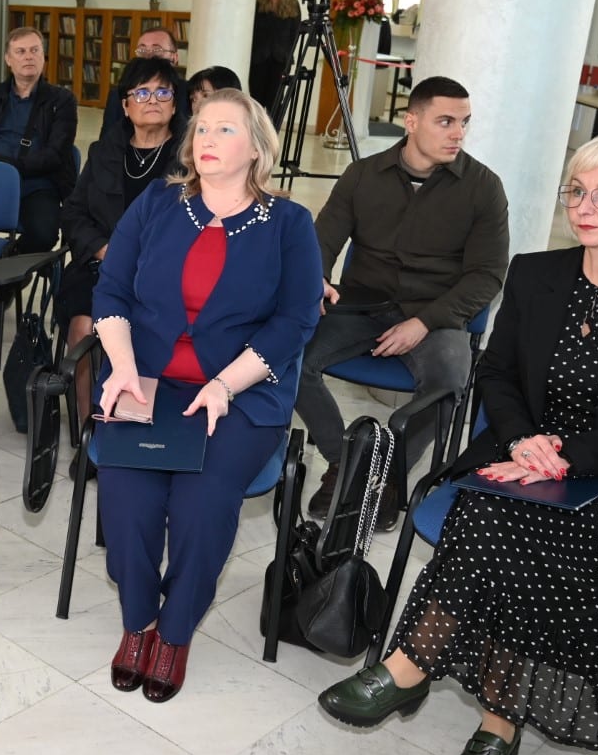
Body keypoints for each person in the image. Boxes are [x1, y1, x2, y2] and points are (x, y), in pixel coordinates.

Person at [319, 131, 598, 755]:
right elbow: (497, 373)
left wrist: (566, 456)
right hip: (520, 454)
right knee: (491, 511)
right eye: (576, 190)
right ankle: (495, 724)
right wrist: (524, 441)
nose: (583, 206)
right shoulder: (536, 275)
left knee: (528, 537)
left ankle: (417, 672)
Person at [93, 89, 322, 702]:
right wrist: (119, 366)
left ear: (256, 148)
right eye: (201, 130)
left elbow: (297, 321)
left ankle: (174, 631)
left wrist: (224, 384)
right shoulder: (160, 204)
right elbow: (111, 289)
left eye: (225, 130)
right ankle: (138, 619)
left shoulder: (290, 224)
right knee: (127, 497)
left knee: (200, 504)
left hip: (242, 392)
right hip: (146, 378)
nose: (207, 140)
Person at [297, 76, 509, 527]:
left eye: (464, 123)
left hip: (435, 314)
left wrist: (426, 322)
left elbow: (487, 275)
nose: (458, 133)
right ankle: (346, 466)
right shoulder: (363, 175)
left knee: (451, 379)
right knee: (288, 354)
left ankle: (390, 477)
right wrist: (313, 278)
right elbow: (321, 239)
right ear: (411, 121)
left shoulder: (483, 188)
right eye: (446, 121)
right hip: (361, 306)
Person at [60, 57, 186, 415]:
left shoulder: (190, 158)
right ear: (126, 106)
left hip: (164, 274)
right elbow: (72, 213)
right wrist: (104, 250)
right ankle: (90, 428)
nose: (153, 100)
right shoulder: (104, 151)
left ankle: (136, 426)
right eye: (142, 92)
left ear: (175, 103)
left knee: (148, 329)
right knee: (83, 325)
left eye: (163, 91)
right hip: (102, 267)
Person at [0, 27, 79, 253]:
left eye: (35, 50)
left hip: (38, 183)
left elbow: (56, 154)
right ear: (8, 59)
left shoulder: (62, 100)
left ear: (43, 56)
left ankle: (9, 270)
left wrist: (5, 165)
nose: (28, 56)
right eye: (21, 51)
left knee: (43, 235)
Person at [97, 27, 189, 138]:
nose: (148, 56)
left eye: (156, 50)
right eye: (142, 51)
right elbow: (106, 140)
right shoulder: (118, 94)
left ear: (174, 58)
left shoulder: (190, 93)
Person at [249, 0, 301, 111]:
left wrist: (288, 56)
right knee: (256, 100)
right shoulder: (258, 3)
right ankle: (257, 132)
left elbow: (295, 34)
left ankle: (271, 132)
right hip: (258, 59)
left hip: (281, 60)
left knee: (275, 100)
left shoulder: (293, 4)